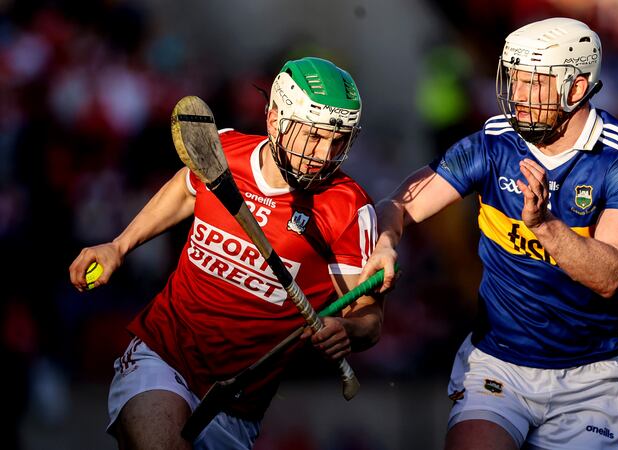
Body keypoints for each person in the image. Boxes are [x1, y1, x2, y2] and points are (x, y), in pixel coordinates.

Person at [360, 17, 618, 450]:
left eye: (533, 83)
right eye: (513, 79)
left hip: (590, 375)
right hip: (497, 362)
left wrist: (543, 226)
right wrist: (386, 242)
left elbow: (611, 274)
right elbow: (401, 204)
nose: (517, 96)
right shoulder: (492, 143)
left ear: (576, 89)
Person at [69, 57, 383, 449]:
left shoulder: (347, 207)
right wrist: (119, 245)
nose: (325, 152)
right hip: (163, 356)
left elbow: (369, 316)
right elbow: (185, 188)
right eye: (314, 136)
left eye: (338, 140)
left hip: (237, 405)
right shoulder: (225, 152)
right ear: (275, 121)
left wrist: (348, 329)